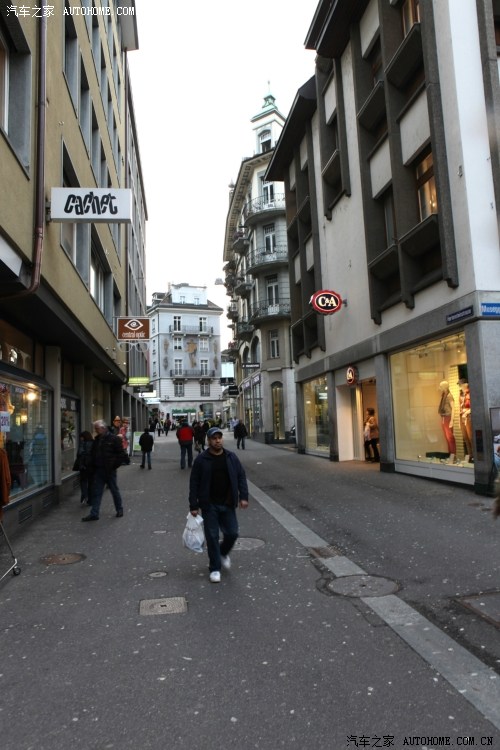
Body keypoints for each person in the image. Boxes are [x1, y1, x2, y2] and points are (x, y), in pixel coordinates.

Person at [189, 426, 249, 583]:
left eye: (219, 438)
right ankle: (215, 568)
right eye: (214, 438)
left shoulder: (231, 457)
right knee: (212, 536)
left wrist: (243, 497)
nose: (217, 441)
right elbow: (194, 482)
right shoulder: (201, 460)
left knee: (232, 533)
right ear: (209, 441)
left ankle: (222, 552)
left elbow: (241, 476)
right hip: (209, 505)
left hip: (228, 503)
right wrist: (193, 505)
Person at [82, 420, 129, 521]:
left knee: (114, 491)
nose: (96, 430)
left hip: (109, 470)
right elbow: (93, 454)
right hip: (99, 470)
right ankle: (94, 513)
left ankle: (119, 509)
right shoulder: (97, 440)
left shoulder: (114, 439)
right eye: (95, 428)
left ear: (103, 428)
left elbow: (121, 454)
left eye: (97, 428)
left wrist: (114, 466)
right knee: (97, 492)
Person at [438, 380, 456, 458]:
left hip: (448, 417)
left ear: (444, 387)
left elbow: (453, 408)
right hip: (443, 417)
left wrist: (452, 420)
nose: (439, 388)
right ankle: (450, 455)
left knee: (450, 437)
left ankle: (453, 455)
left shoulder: (449, 396)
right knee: (447, 438)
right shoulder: (443, 396)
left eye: (441, 386)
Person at [76, 430, 94, 504]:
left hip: (84, 466)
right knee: (91, 482)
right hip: (92, 466)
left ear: (84, 437)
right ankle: (90, 500)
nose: (80, 439)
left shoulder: (82, 443)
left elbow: (79, 454)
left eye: (81, 437)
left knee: (83, 481)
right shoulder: (94, 443)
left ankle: (85, 495)